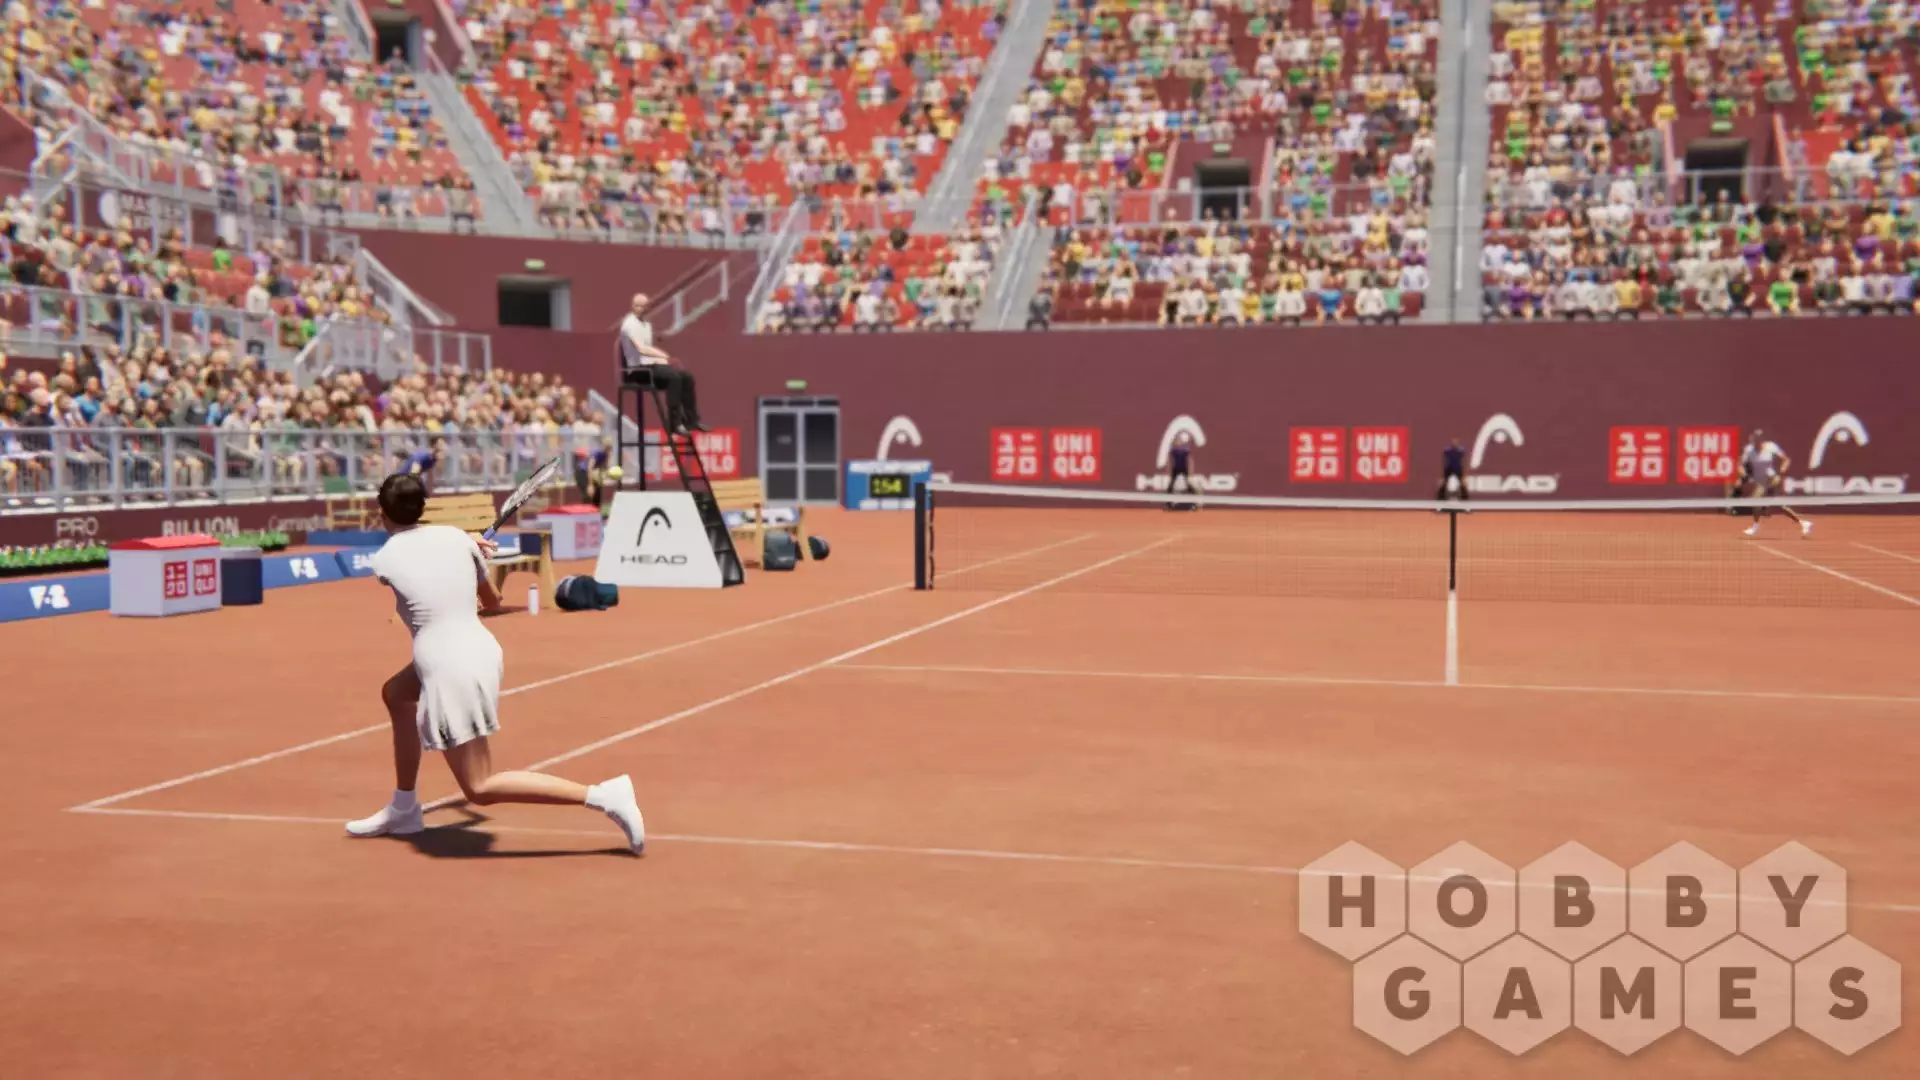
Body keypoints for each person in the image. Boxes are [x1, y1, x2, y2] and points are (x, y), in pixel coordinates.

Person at [346, 473, 648, 852]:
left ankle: (603, 795)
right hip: (476, 648)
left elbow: (417, 566)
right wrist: (469, 553)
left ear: (382, 513)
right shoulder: (457, 538)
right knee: (396, 693)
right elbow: (492, 601)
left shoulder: (387, 558)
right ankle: (404, 807)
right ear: (423, 506)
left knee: (479, 787)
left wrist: (465, 550)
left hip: (450, 666)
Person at [618, 292, 704, 433]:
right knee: (673, 378)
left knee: (686, 376)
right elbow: (642, 349)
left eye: (643, 306)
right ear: (632, 306)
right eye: (637, 306)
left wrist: (663, 360)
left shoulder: (647, 325)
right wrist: (663, 355)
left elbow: (648, 352)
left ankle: (691, 420)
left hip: (649, 366)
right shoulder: (629, 324)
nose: (640, 309)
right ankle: (674, 424)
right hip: (636, 371)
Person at [1739, 429, 1811, 537]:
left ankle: (1756, 525)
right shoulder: (1749, 450)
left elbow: (1786, 460)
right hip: (1759, 480)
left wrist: (1780, 474)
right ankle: (1803, 523)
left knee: (1756, 499)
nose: (1756, 441)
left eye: (1758, 438)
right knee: (1779, 505)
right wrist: (1744, 475)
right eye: (1755, 438)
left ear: (1762, 439)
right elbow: (1740, 464)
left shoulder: (1771, 447)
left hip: (1771, 479)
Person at [1165, 431, 1199, 510]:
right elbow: (1169, 460)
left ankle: (1194, 503)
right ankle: (1168, 504)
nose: (1177, 441)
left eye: (1178, 439)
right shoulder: (1173, 448)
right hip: (1176, 468)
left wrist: (1190, 471)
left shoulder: (1185, 448)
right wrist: (1168, 471)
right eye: (1176, 440)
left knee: (1189, 486)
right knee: (1170, 486)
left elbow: (1190, 460)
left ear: (1181, 440)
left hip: (1184, 468)